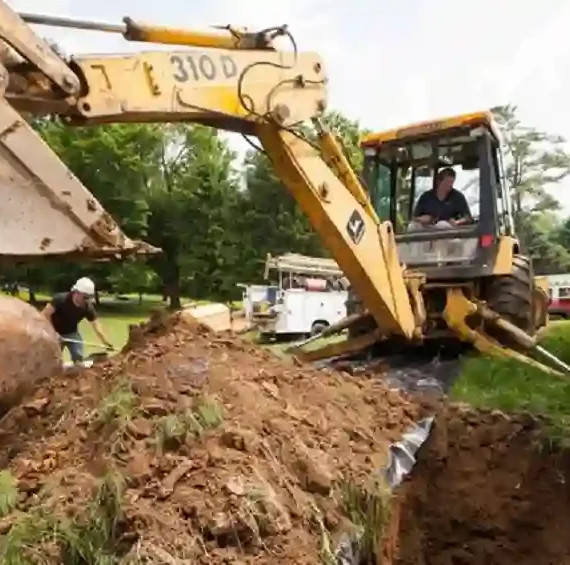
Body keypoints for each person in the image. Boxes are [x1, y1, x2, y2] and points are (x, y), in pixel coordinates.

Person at [42, 277, 113, 364]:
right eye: (85, 297)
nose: (87, 300)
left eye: (90, 297)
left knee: (78, 356)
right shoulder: (60, 299)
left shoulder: (87, 307)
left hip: (72, 333)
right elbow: (44, 315)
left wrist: (105, 342)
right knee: (52, 359)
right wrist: (52, 333)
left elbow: (96, 325)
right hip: (53, 332)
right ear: (76, 292)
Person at [408, 167, 472, 231]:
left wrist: (457, 222)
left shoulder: (457, 197)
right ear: (438, 182)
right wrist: (423, 219)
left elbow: (468, 217)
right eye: (447, 182)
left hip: (448, 232)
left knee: (442, 225)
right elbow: (415, 217)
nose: (450, 186)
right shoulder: (426, 197)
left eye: (452, 183)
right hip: (427, 229)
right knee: (412, 226)